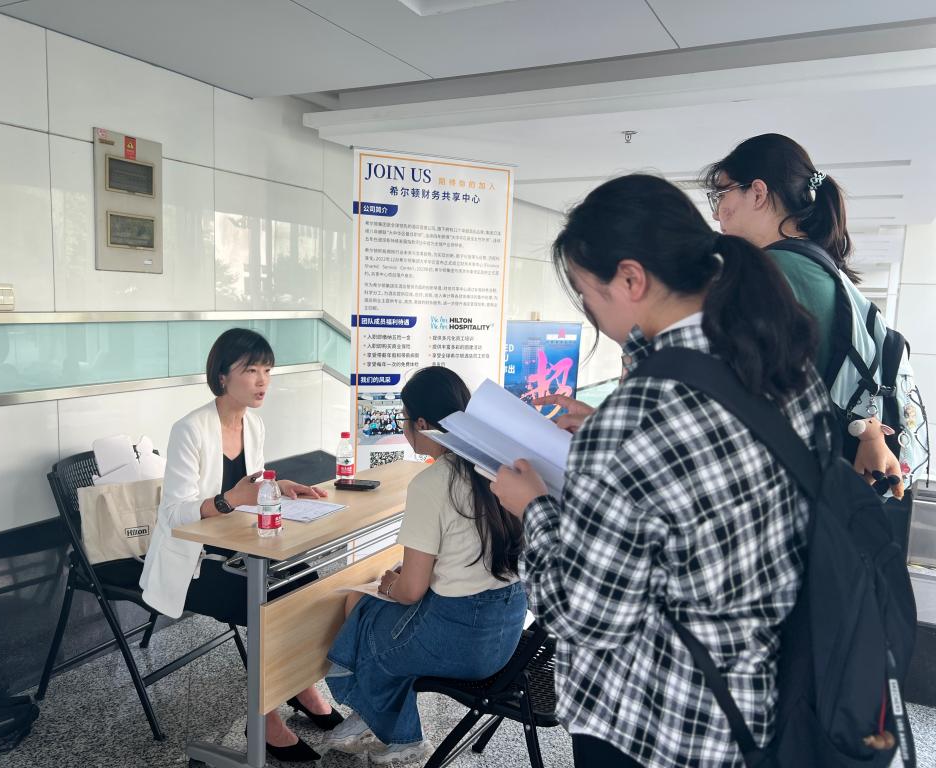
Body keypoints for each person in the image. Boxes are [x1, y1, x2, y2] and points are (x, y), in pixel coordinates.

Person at [490, 175, 833, 768]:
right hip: (766, 692)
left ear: (630, 279)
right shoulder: (780, 363)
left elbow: (583, 615)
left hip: (656, 723)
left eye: (587, 294)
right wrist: (604, 432)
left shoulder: (636, 419)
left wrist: (534, 508)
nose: (590, 313)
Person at [138, 328, 341, 763]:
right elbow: (173, 514)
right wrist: (229, 500)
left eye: (267, 370)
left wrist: (278, 486)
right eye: (251, 370)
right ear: (222, 376)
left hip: (239, 549)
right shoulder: (189, 429)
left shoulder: (254, 424)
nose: (262, 380)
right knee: (271, 601)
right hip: (195, 563)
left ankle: (300, 686)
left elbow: (252, 487)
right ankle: (265, 718)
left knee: (305, 582)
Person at [321, 366, 527, 765]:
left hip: (460, 642)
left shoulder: (432, 483)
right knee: (373, 614)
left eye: (404, 419)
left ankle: (395, 733)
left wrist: (388, 584)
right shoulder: (495, 468)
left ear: (420, 424)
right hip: (507, 639)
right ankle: (373, 720)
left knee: (360, 609)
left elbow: (411, 591)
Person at [704, 132, 927, 486]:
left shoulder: (771, 274)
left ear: (758, 193)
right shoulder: (827, 270)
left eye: (721, 195)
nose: (717, 213)